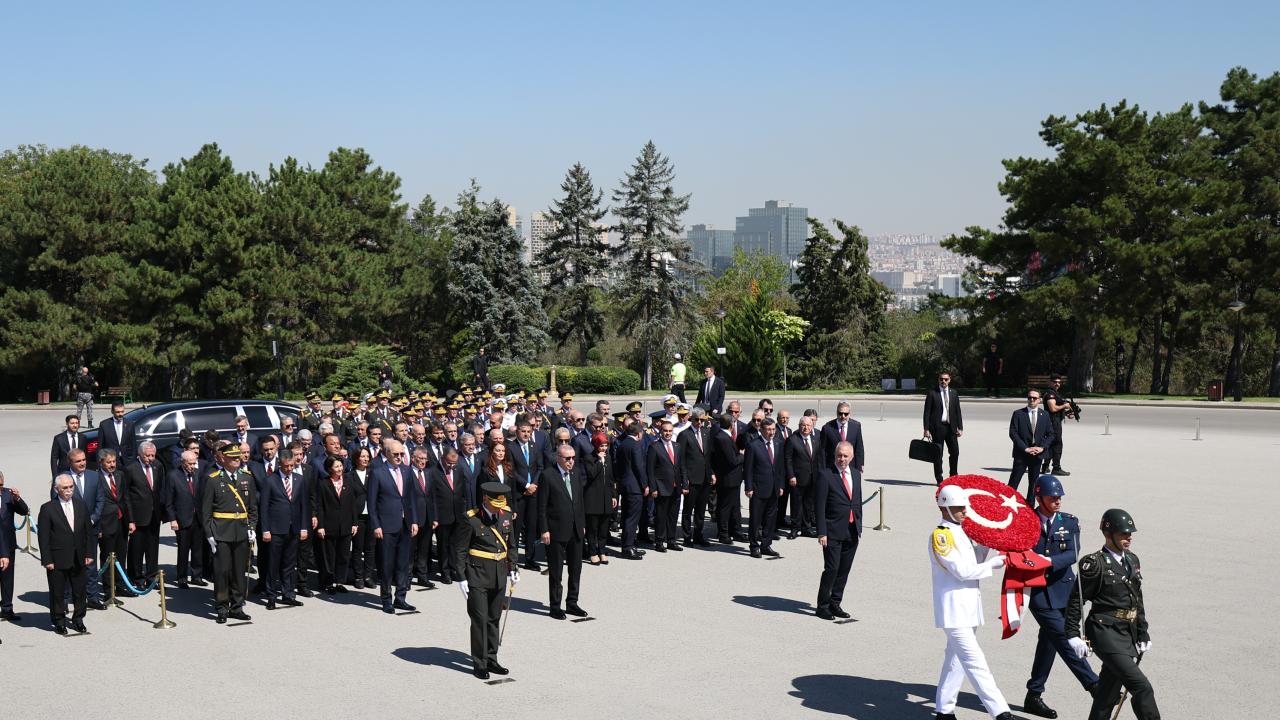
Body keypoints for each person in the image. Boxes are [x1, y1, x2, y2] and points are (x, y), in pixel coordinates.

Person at [930, 485, 1015, 720]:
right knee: (975, 662)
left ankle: (944, 710)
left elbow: (974, 560)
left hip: (968, 610)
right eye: (959, 508)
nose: (964, 512)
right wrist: (994, 564)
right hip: (954, 612)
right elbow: (963, 571)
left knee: (955, 660)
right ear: (945, 508)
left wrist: (986, 544)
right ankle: (1000, 712)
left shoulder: (961, 532)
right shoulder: (941, 536)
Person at [1066, 509, 1160, 720]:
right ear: (1109, 535)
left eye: (1130, 534)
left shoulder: (1132, 560)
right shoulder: (1094, 564)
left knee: (1107, 693)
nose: (1129, 538)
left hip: (1127, 634)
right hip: (1104, 633)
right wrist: (1072, 633)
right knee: (1142, 687)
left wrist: (1142, 632)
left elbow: (1137, 599)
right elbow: (1076, 600)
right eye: (1123, 534)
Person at [1022, 475, 1099, 718]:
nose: (1057, 501)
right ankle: (1095, 685)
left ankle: (1033, 695)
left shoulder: (1069, 522)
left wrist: (1044, 561)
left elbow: (1072, 554)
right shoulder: (1025, 521)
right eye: (1052, 497)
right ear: (1039, 497)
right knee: (1064, 638)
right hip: (1038, 592)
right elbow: (1020, 553)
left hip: (1065, 590)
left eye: (1059, 497)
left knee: (1049, 642)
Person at [455, 482, 518, 680]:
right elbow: (460, 550)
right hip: (477, 575)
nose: (499, 508)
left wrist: (513, 568)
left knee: (493, 619)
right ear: (485, 499)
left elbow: (511, 544)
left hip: (499, 575)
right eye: (495, 504)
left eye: (501, 504)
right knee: (480, 620)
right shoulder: (471, 519)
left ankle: (492, 658)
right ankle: (479, 662)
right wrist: (461, 578)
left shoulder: (506, 516)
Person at [201, 443, 257, 624]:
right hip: (221, 532)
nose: (237, 460)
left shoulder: (247, 478)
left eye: (238, 457)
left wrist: (252, 528)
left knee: (239, 571)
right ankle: (222, 607)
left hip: (241, 531)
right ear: (223, 458)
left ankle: (237, 606)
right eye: (233, 457)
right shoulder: (214, 479)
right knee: (222, 571)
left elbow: (252, 508)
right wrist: (209, 534)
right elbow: (206, 510)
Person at [367, 440, 419, 614]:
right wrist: (376, 525)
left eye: (402, 454)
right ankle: (386, 599)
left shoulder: (406, 470)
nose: (399, 457)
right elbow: (372, 502)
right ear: (387, 454)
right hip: (386, 525)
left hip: (405, 524)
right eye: (396, 454)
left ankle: (401, 597)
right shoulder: (377, 472)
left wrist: (414, 521)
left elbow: (411, 498)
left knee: (403, 563)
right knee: (387, 564)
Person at [39, 475, 94, 635]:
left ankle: (78, 619)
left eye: (71, 487)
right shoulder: (48, 508)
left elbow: (88, 532)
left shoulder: (80, 505)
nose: (69, 490)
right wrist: (47, 559)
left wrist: (89, 553)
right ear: (57, 489)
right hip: (57, 558)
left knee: (79, 591)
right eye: (65, 488)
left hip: (79, 556)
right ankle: (59, 620)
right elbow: (43, 537)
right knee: (57, 592)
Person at [538, 444, 587, 619]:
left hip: (575, 529)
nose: (571, 461)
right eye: (568, 458)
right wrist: (544, 529)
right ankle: (555, 606)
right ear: (558, 457)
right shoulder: (547, 476)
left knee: (576, 569)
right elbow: (542, 506)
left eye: (573, 458)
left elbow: (579, 501)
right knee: (556, 570)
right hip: (556, 530)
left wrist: (582, 524)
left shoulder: (575, 473)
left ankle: (572, 603)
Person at [814, 441, 862, 620]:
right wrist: (821, 532)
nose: (842, 459)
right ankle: (822, 606)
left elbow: (856, 502)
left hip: (851, 530)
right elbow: (819, 506)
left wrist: (859, 525)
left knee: (844, 570)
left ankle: (835, 603)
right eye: (839, 455)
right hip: (832, 531)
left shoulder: (855, 474)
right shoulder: (826, 475)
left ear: (851, 457)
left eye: (845, 456)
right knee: (831, 569)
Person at [258, 449, 308, 609]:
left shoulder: (299, 479)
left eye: (291, 466)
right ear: (280, 464)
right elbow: (264, 507)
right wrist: (265, 529)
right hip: (275, 529)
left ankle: (288, 594)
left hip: (294, 528)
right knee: (273, 564)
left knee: (289, 563)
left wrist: (304, 527)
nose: (289, 469)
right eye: (286, 466)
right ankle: (271, 595)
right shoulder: (270, 480)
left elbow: (304, 505)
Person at [314, 455, 360, 595]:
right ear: (329, 469)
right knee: (329, 556)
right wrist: (320, 525)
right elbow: (319, 506)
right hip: (329, 525)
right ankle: (328, 582)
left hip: (345, 525)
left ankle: (340, 581)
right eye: (336, 466)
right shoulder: (323, 483)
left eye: (341, 466)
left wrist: (354, 523)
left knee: (343, 555)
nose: (340, 469)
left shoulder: (349, 481)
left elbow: (353, 504)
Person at [743, 417, 787, 559]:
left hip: (774, 488)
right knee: (755, 520)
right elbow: (748, 469)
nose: (772, 432)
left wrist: (781, 485)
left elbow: (780, 467)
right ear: (761, 430)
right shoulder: (753, 445)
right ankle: (754, 546)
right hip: (758, 488)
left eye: (773, 429)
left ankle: (766, 545)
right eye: (768, 429)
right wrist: (748, 487)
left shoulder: (779, 444)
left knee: (770, 519)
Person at [124, 441, 164, 586]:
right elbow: (126, 495)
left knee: (153, 547)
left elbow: (160, 489)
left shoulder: (158, 466)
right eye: (147, 456)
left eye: (153, 455)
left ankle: (152, 576)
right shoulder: (130, 468)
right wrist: (131, 519)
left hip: (154, 514)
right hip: (138, 515)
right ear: (140, 455)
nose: (151, 458)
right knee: (137, 548)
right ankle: (136, 577)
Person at [165, 450, 206, 588]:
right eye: (190, 463)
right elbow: (168, 501)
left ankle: (197, 575)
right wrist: (172, 519)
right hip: (182, 519)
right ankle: (182, 577)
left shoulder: (199, 474)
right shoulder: (173, 476)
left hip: (198, 518)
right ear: (183, 462)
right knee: (183, 549)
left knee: (198, 549)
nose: (193, 466)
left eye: (194, 463)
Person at [645, 420, 685, 552]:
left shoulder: (677, 446)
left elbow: (681, 467)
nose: (667, 433)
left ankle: (671, 540)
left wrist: (685, 484)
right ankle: (659, 541)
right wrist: (653, 488)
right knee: (661, 516)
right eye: (665, 431)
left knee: (673, 516)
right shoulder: (654, 447)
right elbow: (650, 470)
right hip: (661, 488)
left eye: (669, 431)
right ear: (661, 432)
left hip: (676, 487)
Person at [677, 408, 713, 547]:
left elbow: (709, 456)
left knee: (700, 510)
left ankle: (699, 535)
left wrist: (711, 473)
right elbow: (681, 460)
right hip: (691, 479)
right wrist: (684, 480)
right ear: (691, 418)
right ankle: (687, 537)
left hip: (705, 478)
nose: (699, 422)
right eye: (697, 419)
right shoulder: (684, 435)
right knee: (688, 510)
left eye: (702, 420)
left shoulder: (706, 433)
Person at [1008, 390, 1054, 495]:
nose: (1031, 400)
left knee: (1034, 484)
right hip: (1021, 454)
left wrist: (1042, 448)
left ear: (1039, 400)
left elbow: (1051, 434)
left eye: (1034, 398)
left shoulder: (1045, 415)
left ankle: (1030, 506)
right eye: (1029, 398)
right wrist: (1025, 448)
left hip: (1037, 455)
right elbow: (1013, 433)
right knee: (1014, 482)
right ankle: (1006, 505)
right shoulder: (1018, 414)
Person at [923, 371, 964, 485]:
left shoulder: (954, 393)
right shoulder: (932, 393)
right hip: (937, 428)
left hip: (951, 428)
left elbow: (957, 411)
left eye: (946, 379)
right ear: (938, 380)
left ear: (949, 380)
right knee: (938, 455)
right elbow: (927, 412)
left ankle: (953, 476)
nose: (943, 381)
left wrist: (960, 427)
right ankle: (939, 478)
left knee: (955, 452)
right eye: (941, 379)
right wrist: (926, 429)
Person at [709, 413, 745, 544]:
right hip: (727, 478)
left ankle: (736, 531)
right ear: (731, 425)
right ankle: (723, 533)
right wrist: (742, 455)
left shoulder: (724, 436)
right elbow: (733, 460)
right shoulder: (722, 438)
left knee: (735, 506)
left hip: (733, 478)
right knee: (724, 507)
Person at [582, 433, 617, 564]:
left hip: (606, 497)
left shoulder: (608, 457)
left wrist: (613, 495)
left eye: (606, 446)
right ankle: (592, 552)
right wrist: (599, 461)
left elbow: (610, 478)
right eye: (601, 446)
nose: (604, 449)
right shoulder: (589, 458)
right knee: (592, 528)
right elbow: (590, 474)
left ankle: (602, 550)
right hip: (592, 498)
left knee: (603, 527)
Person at [0, 471, 30, 622]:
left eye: (1, 485)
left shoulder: (8, 495)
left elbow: (25, 511)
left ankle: (7, 608)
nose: (0, 488)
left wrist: (18, 498)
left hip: (8, 542)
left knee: (7, 579)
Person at [785, 415, 820, 538]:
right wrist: (791, 476)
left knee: (808, 504)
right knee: (796, 503)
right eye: (803, 425)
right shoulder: (792, 440)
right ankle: (795, 528)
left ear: (812, 427)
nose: (806, 428)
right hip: (797, 478)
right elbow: (788, 459)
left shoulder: (815, 439)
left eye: (808, 425)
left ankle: (806, 527)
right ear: (799, 426)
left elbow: (818, 459)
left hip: (812, 478)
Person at [819, 402, 864, 476]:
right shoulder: (827, 428)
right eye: (840, 413)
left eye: (846, 414)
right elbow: (822, 450)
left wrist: (859, 466)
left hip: (850, 467)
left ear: (849, 414)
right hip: (832, 468)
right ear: (836, 413)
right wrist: (823, 469)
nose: (843, 416)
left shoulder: (856, 427)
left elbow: (859, 448)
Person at [1042, 375, 1071, 476]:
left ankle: (1045, 467)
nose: (1057, 384)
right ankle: (1056, 467)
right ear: (1049, 382)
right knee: (1057, 444)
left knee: (1050, 444)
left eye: (1059, 382)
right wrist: (1065, 405)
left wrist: (1067, 413)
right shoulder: (1050, 394)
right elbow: (1053, 409)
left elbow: (1057, 409)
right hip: (1053, 422)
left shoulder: (1055, 393)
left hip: (1055, 420)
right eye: (1055, 381)